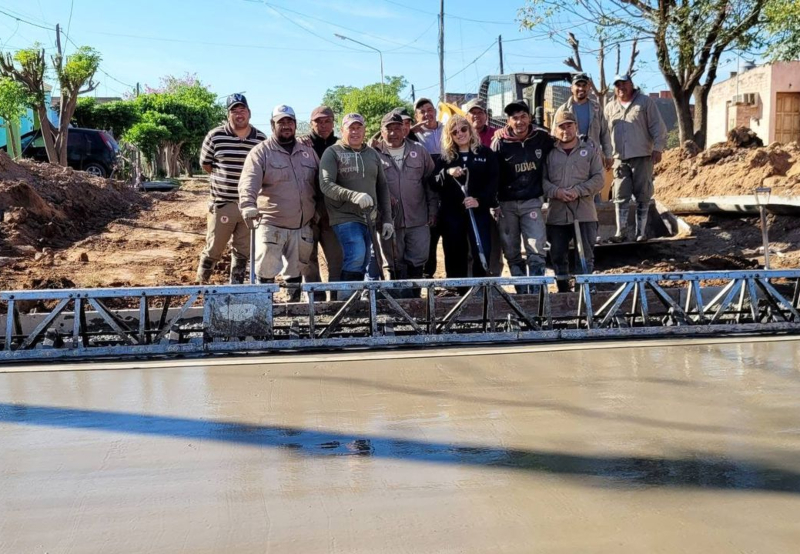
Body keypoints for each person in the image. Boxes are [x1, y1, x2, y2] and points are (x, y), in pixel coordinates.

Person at [238, 105, 317, 300]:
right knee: (266, 272)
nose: (286, 126)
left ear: (295, 125)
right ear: (273, 125)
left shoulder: (307, 152)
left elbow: (319, 180)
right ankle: (263, 313)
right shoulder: (261, 152)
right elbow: (248, 182)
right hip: (271, 225)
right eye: (281, 122)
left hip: (301, 227)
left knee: (295, 273)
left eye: (289, 121)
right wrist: (248, 205)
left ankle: (293, 314)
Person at [196, 94, 267, 284]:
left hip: (249, 206)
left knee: (243, 250)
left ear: (249, 113)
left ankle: (236, 287)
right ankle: (201, 285)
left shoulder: (260, 138)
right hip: (223, 204)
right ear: (228, 115)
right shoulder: (215, 136)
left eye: (242, 109)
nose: (239, 114)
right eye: (234, 110)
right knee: (214, 247)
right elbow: (206, 164)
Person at [319, 113, 393, 290]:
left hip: (369, 218)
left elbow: (382, 187)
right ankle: (347, 301)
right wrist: (354, 196)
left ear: (364, 130)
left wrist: (387, 219)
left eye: (359, 127)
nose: (355, 132)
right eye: (351, 128)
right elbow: (326, 185)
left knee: (365, 258)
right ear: (342, 130)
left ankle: (355, 299)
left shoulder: (372, 154)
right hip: (344, 216)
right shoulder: (332, 153)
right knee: (356, 255)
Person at [491, 99, 555, 293]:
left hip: (532, 202)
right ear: (508, 121)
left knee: (536, 248)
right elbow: (493, 175)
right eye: (514, 118)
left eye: (523, 117)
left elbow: (562, 142)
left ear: (530, 118)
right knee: (511, 251)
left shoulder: (541, 139)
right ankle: (521, 294)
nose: (519, 122)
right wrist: (494, 203)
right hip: (506, 204)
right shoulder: (500, 143)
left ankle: (536, 295)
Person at [374, 112, 437, 290]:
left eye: (397, 128)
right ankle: (397, 303)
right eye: (389, 129)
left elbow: (430, 183)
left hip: (418, 219)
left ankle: (414, 301)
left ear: (404, 130)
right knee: (393, 262)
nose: (393, 133)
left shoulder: (419, 150)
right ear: (381, 130)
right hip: (388, 221)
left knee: (417, 260)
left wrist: (433, 211)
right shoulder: (373, 154)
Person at [543, 111, 605, 292]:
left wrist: (578, 191)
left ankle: (582, 293)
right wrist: (557, 192)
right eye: (561, 126)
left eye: (569, 125)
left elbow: (599, 179)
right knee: (557, 255)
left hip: (584, 213)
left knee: (585, 256)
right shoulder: (550, 154)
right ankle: (563, 292)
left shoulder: (589, 151)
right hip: (557, 215)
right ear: (556, 129)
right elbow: (542, 181)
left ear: (576, 127)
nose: (565, 130)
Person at [605, 73, 667, 242]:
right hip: (620, 159)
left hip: (643, 156)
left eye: (624, 83)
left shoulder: (645, 102)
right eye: (617, 85)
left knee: (643, 194)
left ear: (631, 84)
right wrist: (606, 154)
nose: (621, 87)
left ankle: (641, 232)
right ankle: (621, 232)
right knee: (620, 195)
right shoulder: (610, 107)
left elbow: (657, 126)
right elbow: (604, 133)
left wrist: (658, 148)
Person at [435, 115, 498, 282]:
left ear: (470, 130)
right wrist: (447, 173)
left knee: (481, 249)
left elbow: (493, 182)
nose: (460, 134)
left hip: (478, 211)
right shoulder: (445, 157)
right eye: (454, 132)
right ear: (450, 135)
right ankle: (458, 288)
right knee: (455, 250)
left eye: (463, 129)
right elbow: (433, 182)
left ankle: (480, 286)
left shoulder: (485, 153)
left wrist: (480, 200)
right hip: (452, 213)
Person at [299, 106, 343, 298]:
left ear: (334, 123)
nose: (323, 125)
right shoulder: (302, 145)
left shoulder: (342, 145)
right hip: (308, 213)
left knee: (337, 259)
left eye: (327, 121)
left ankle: (335, 300)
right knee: (309, 260)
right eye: (318, 121)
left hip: (334, 214)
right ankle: (314, 301)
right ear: (311, 124)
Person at [464, 97, 503, 276]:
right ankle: (472, 279)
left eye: (480, 112)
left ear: (486, 115)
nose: (476, 116)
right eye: (472, 113)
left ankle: (493, 276)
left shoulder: (497, 135)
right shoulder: (460, 136)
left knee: (494, 241)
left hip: (492, 197)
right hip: (471, 199)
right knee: (471, 242)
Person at [552, 73, 612, 171]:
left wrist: (608, 155)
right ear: (571, 88)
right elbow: (555, 136)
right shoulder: (563, 110)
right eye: (578, 85)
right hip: (571, 159)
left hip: (594, 157)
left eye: (584, 85)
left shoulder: (596, 108)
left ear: (589, 87)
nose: (581, 88)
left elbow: (604, 133)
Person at [412, 98, 444, 279]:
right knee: (429, 238)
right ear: (417, 116)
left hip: (448, 191)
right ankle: (427, 276)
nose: (427, 114)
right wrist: (412, 130)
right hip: (425, 193)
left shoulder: (447, 130)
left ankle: (457, 283)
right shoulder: (413, 136)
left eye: (429, 110)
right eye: (422, 112)